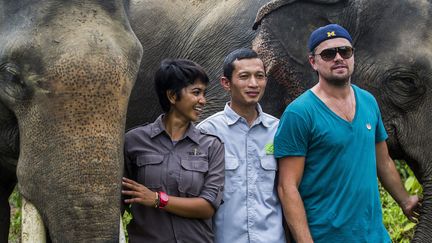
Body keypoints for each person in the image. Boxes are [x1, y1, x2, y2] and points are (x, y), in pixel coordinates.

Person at [274, 24, 420, 242]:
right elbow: (287, 187)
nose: (338, 57)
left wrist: (405, 201)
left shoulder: (368, 101)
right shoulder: (300, 113)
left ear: (353, 56)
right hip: (326, 236)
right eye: (328, 53)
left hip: (374, 235)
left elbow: (384, 161)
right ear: (313, 62)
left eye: (345, 51)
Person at [122, 59, 225, 242]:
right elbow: (118, 203)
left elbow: (207, 206)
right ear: (172, 96)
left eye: (204, 93)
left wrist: (157, 199)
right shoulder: (133, 141)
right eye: (196, 92)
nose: (203, 100)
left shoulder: (211, 146)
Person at [197, 48, 286, 243]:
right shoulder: (206, 132)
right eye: (244, 76)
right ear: (226, 83)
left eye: (260, 76)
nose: (253, 84)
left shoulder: (279, 130)